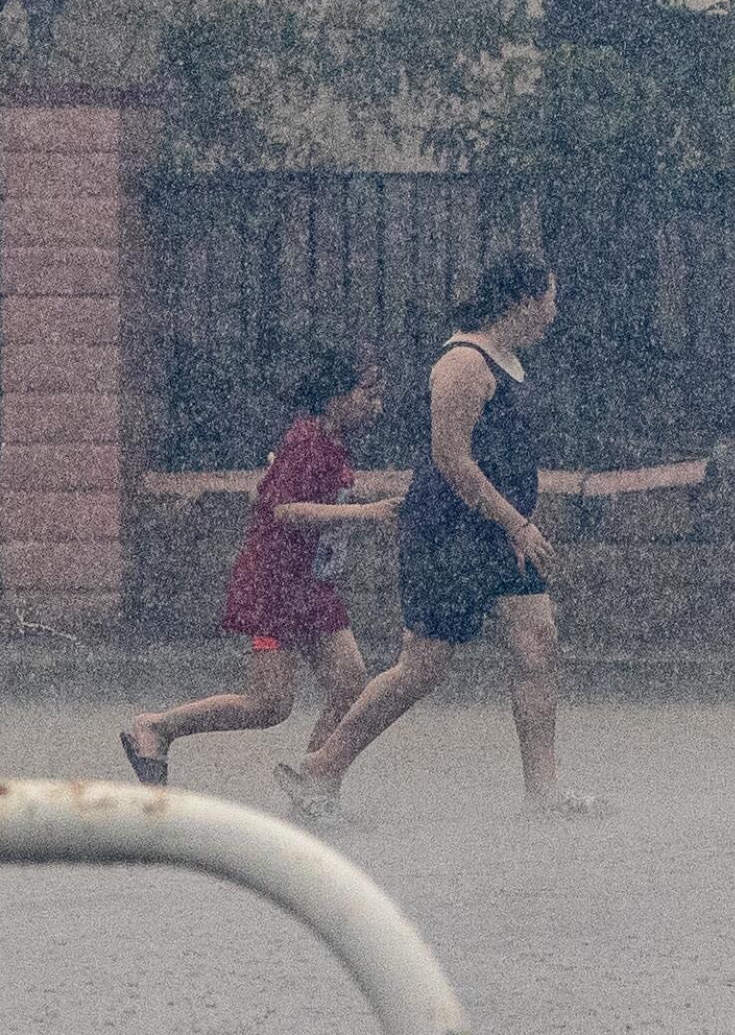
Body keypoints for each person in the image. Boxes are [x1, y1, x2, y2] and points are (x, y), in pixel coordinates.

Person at [277, 253, 600, 816]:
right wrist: (515, 522)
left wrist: (513, 524)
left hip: (499, 537)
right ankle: (318, 771)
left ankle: (543, 794)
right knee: (422, 668)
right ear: (522, 300)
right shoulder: (463, 363)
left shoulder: (510, 359)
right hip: (449, 536)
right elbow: (451, 459)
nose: (554, 312)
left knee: (536, 642)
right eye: (549, 298)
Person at [121, 351, 400, 786]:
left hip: (313, 585)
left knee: (350, 686)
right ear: (334, 396)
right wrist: (367, 513)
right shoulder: (307, 442)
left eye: (380, 397)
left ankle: (314, 779)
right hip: (279, 585)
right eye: (368, 394)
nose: (376, 406)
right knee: (267, 704)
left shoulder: (331, 444)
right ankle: (157, 728)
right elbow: (286, 511)